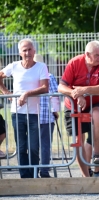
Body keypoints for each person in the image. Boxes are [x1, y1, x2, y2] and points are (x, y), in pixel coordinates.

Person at [58, 40, 99, 177]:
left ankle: (97, 153)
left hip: (95, 102)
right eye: (97, 55)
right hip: (73, 106)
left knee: (98, 115)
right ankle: (86, 176)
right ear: (87, 54)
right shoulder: (74, 62)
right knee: (78, 141)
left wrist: (85, 90)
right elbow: (61, 86)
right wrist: (75, 94)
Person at [0, 38, 49, 178]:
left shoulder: (41, 67)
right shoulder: (14, 66)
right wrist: (6, 92)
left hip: (34, 113)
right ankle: (24, 176)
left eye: (29, 49)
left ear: (34, 51)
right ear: (20, 52)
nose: (27, 53)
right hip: (17, 113)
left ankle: (34, 174)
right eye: (24, 50)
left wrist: (26, 94)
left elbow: (45, 88)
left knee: (33, 147)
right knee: (21, 147)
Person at [33, 54, 59, 178]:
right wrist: (56, 111)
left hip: (31, 115)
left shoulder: (29, 76)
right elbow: (54, 95)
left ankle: (32, 170)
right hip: (46, 116)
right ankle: (44, 170)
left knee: (32, 145)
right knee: (45, 145)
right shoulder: (49, 76)